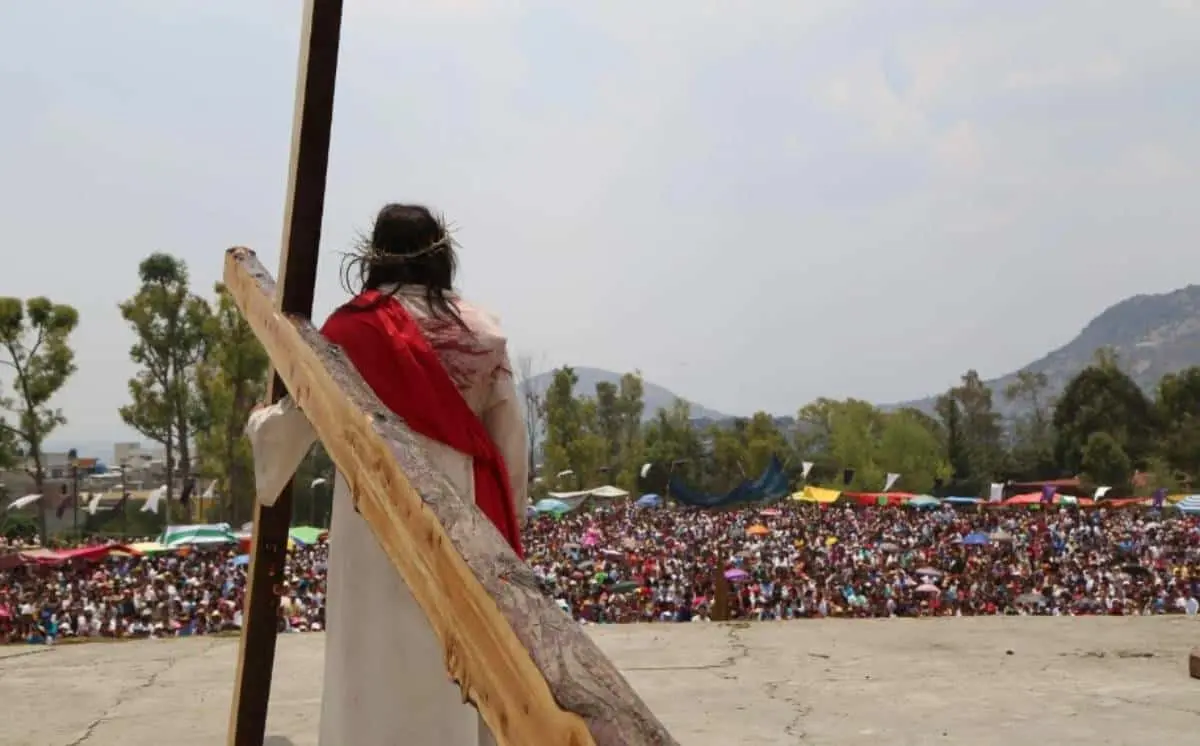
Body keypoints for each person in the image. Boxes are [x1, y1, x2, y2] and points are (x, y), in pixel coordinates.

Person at [245, 203, 529, 746]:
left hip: (372, 518)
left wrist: (261, 426)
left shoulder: (351, 329)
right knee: (461, 663)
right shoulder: (481, 330)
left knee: (374, 659)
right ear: (442, 254)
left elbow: (297, 421)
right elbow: (510, 447)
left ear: (373, 255)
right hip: (466, 517)